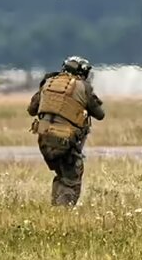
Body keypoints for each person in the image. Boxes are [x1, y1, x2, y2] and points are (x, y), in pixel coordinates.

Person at [26, 56, 105, 206]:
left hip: (44, 139)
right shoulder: (83, 87)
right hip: (65, 140)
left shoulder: (47, 83)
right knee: (71, 179)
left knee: (61, 174)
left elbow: (32, 110)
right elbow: (100, 114)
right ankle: (62, 212)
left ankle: (56, 211)